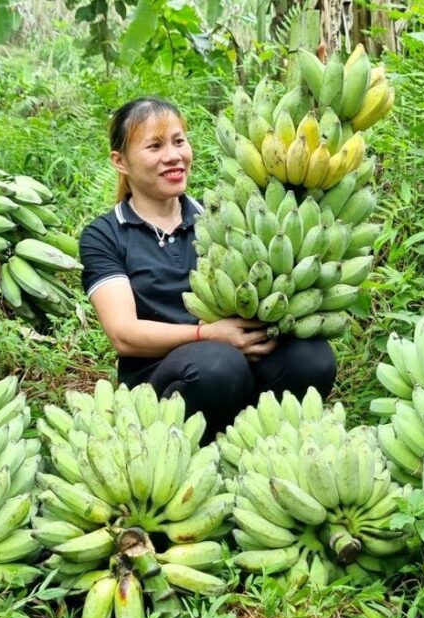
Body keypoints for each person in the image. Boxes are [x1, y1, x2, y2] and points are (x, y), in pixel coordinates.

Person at [79, 96, 337, 443]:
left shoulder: (217, 217)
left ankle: (259, 445)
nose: (173, 156)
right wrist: (208, 333)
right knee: (218, 364)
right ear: (120, 161)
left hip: (237, 356)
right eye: (154, 146)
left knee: (312, 358)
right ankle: (178, 450)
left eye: (178, 142)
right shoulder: (106, 234)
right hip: (162, 375)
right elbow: (123, 334)